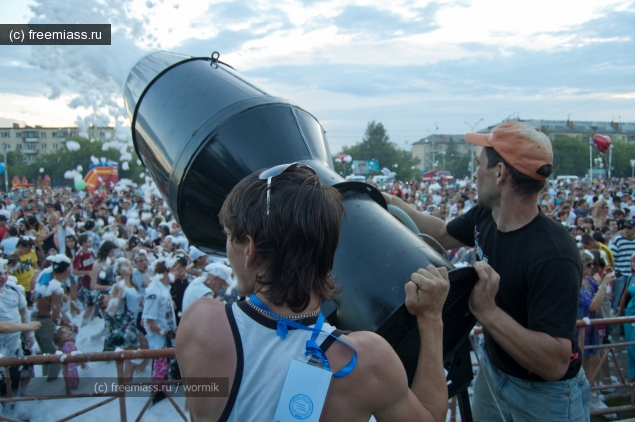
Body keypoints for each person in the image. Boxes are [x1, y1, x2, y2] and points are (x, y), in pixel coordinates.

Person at [177, 164, 450, 422]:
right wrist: (431, 319)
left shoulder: (199, 324)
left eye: (228, 236)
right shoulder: (366, 361)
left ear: (249, 248)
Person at [385, 122, 588, 420]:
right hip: (495, 374)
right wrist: (390, 203)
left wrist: (488, 312)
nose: (475, 173)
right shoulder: (486, 216)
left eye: (479, 164)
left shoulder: (554, 255)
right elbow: (442, 233)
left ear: (501, 173)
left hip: (545, 398)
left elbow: (555, 362)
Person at [32, 255, 70, 381]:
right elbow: (55, 314)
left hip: (34, 317)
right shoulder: (56, 288)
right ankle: (51, 381)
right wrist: (65, 325)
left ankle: (45, 377)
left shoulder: (45, 277)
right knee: (54, 353)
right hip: (45, 321)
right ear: (66, 270)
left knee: (46, 353)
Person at [609, 219, 635, 316]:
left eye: (629, 228)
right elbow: (612, 258)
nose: (626, 230)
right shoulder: (618, 239)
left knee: (629, 300)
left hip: (632, 275)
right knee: (616, 301)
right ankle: (611, 327)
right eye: (625, 227)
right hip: (620, 275)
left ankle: (623, 327)